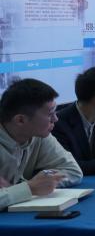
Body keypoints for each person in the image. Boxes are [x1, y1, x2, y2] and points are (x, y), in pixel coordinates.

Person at [0, 79, 83, 210]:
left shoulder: (38, 135)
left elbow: (73, 171)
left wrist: (18, 189)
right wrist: (30, 188)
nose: (56, 119)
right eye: (50, 114)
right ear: (20, 120)